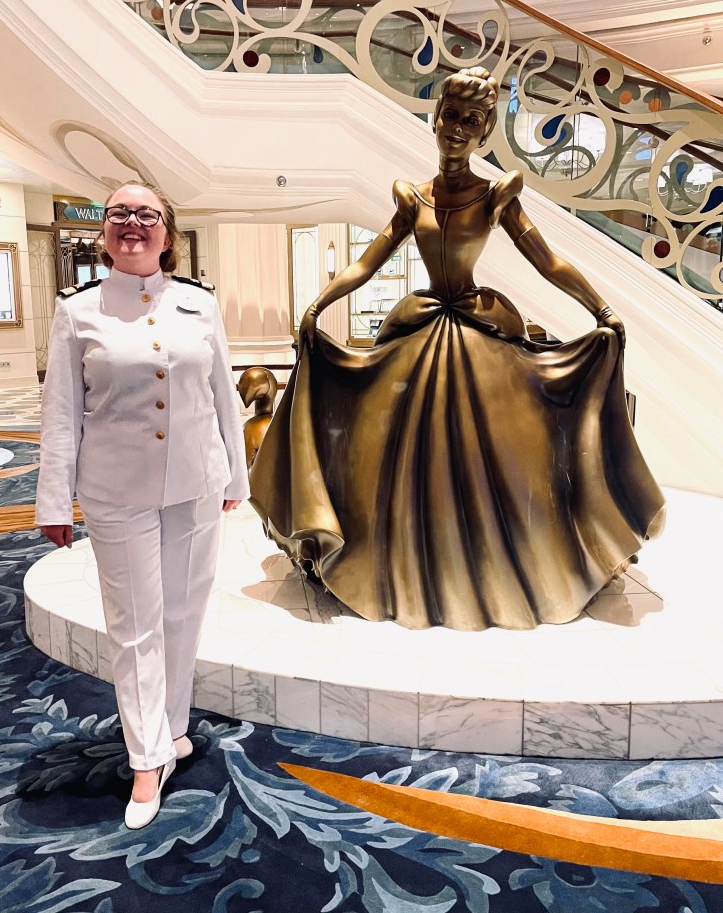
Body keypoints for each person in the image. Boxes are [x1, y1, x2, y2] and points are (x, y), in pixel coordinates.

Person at [250, 67, 665, 632]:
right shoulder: (412, 197)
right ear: (435, 118)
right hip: (421, 331)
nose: (457, 130)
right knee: (394, 454)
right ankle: (395, 567)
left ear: (485, 131)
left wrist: (602, 310)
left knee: (504, 455)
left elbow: (548, 262)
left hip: (477, 333)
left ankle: (521, 565)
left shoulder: (496, 196)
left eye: (472, 121)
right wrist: (317, 306)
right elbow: (367, 263)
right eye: (450, 116)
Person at [35, 181, 248, 829]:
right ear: (104, 233)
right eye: (119, 214)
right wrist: (54, 499)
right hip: (115, 490)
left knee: (183, 615)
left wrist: (235, 477)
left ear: (167, 232)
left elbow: (223, 396)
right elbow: (62, 413)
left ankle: (172, 728)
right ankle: (147, 759)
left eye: (146, 214)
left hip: (196, 482)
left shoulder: (199, 304)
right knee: (134, 627)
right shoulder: (78, 311)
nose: (132, 223)